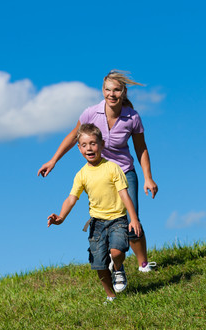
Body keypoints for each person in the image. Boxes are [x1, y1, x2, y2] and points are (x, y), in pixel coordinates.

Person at [39, 70, 158, 272]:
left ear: (124, 92)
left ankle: (143, 264)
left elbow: (141, 147)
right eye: (108, 90)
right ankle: (112, 260)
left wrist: (148, 177)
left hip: (125, 172)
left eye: (117, 90)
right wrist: (54, 160)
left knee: (132, 217)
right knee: (106, 219)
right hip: (100, 174)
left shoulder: (132, 117)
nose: (112, 94)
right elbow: (73, 136)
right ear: (102, 91)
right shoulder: (90, 113)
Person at [48, 124, 142, 302]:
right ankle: (110, 296)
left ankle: (118, 267)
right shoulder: (81, 175)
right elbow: (71, 198)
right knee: (98, 263)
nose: (89, 148)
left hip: (117, 219)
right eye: (84, 145)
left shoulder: (113, 168)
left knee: (116, 252)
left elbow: (124, 194)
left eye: (93, 143)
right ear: (79, 148)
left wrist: (134, 219)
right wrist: (60, 217)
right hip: (97, 223)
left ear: (102, 144)